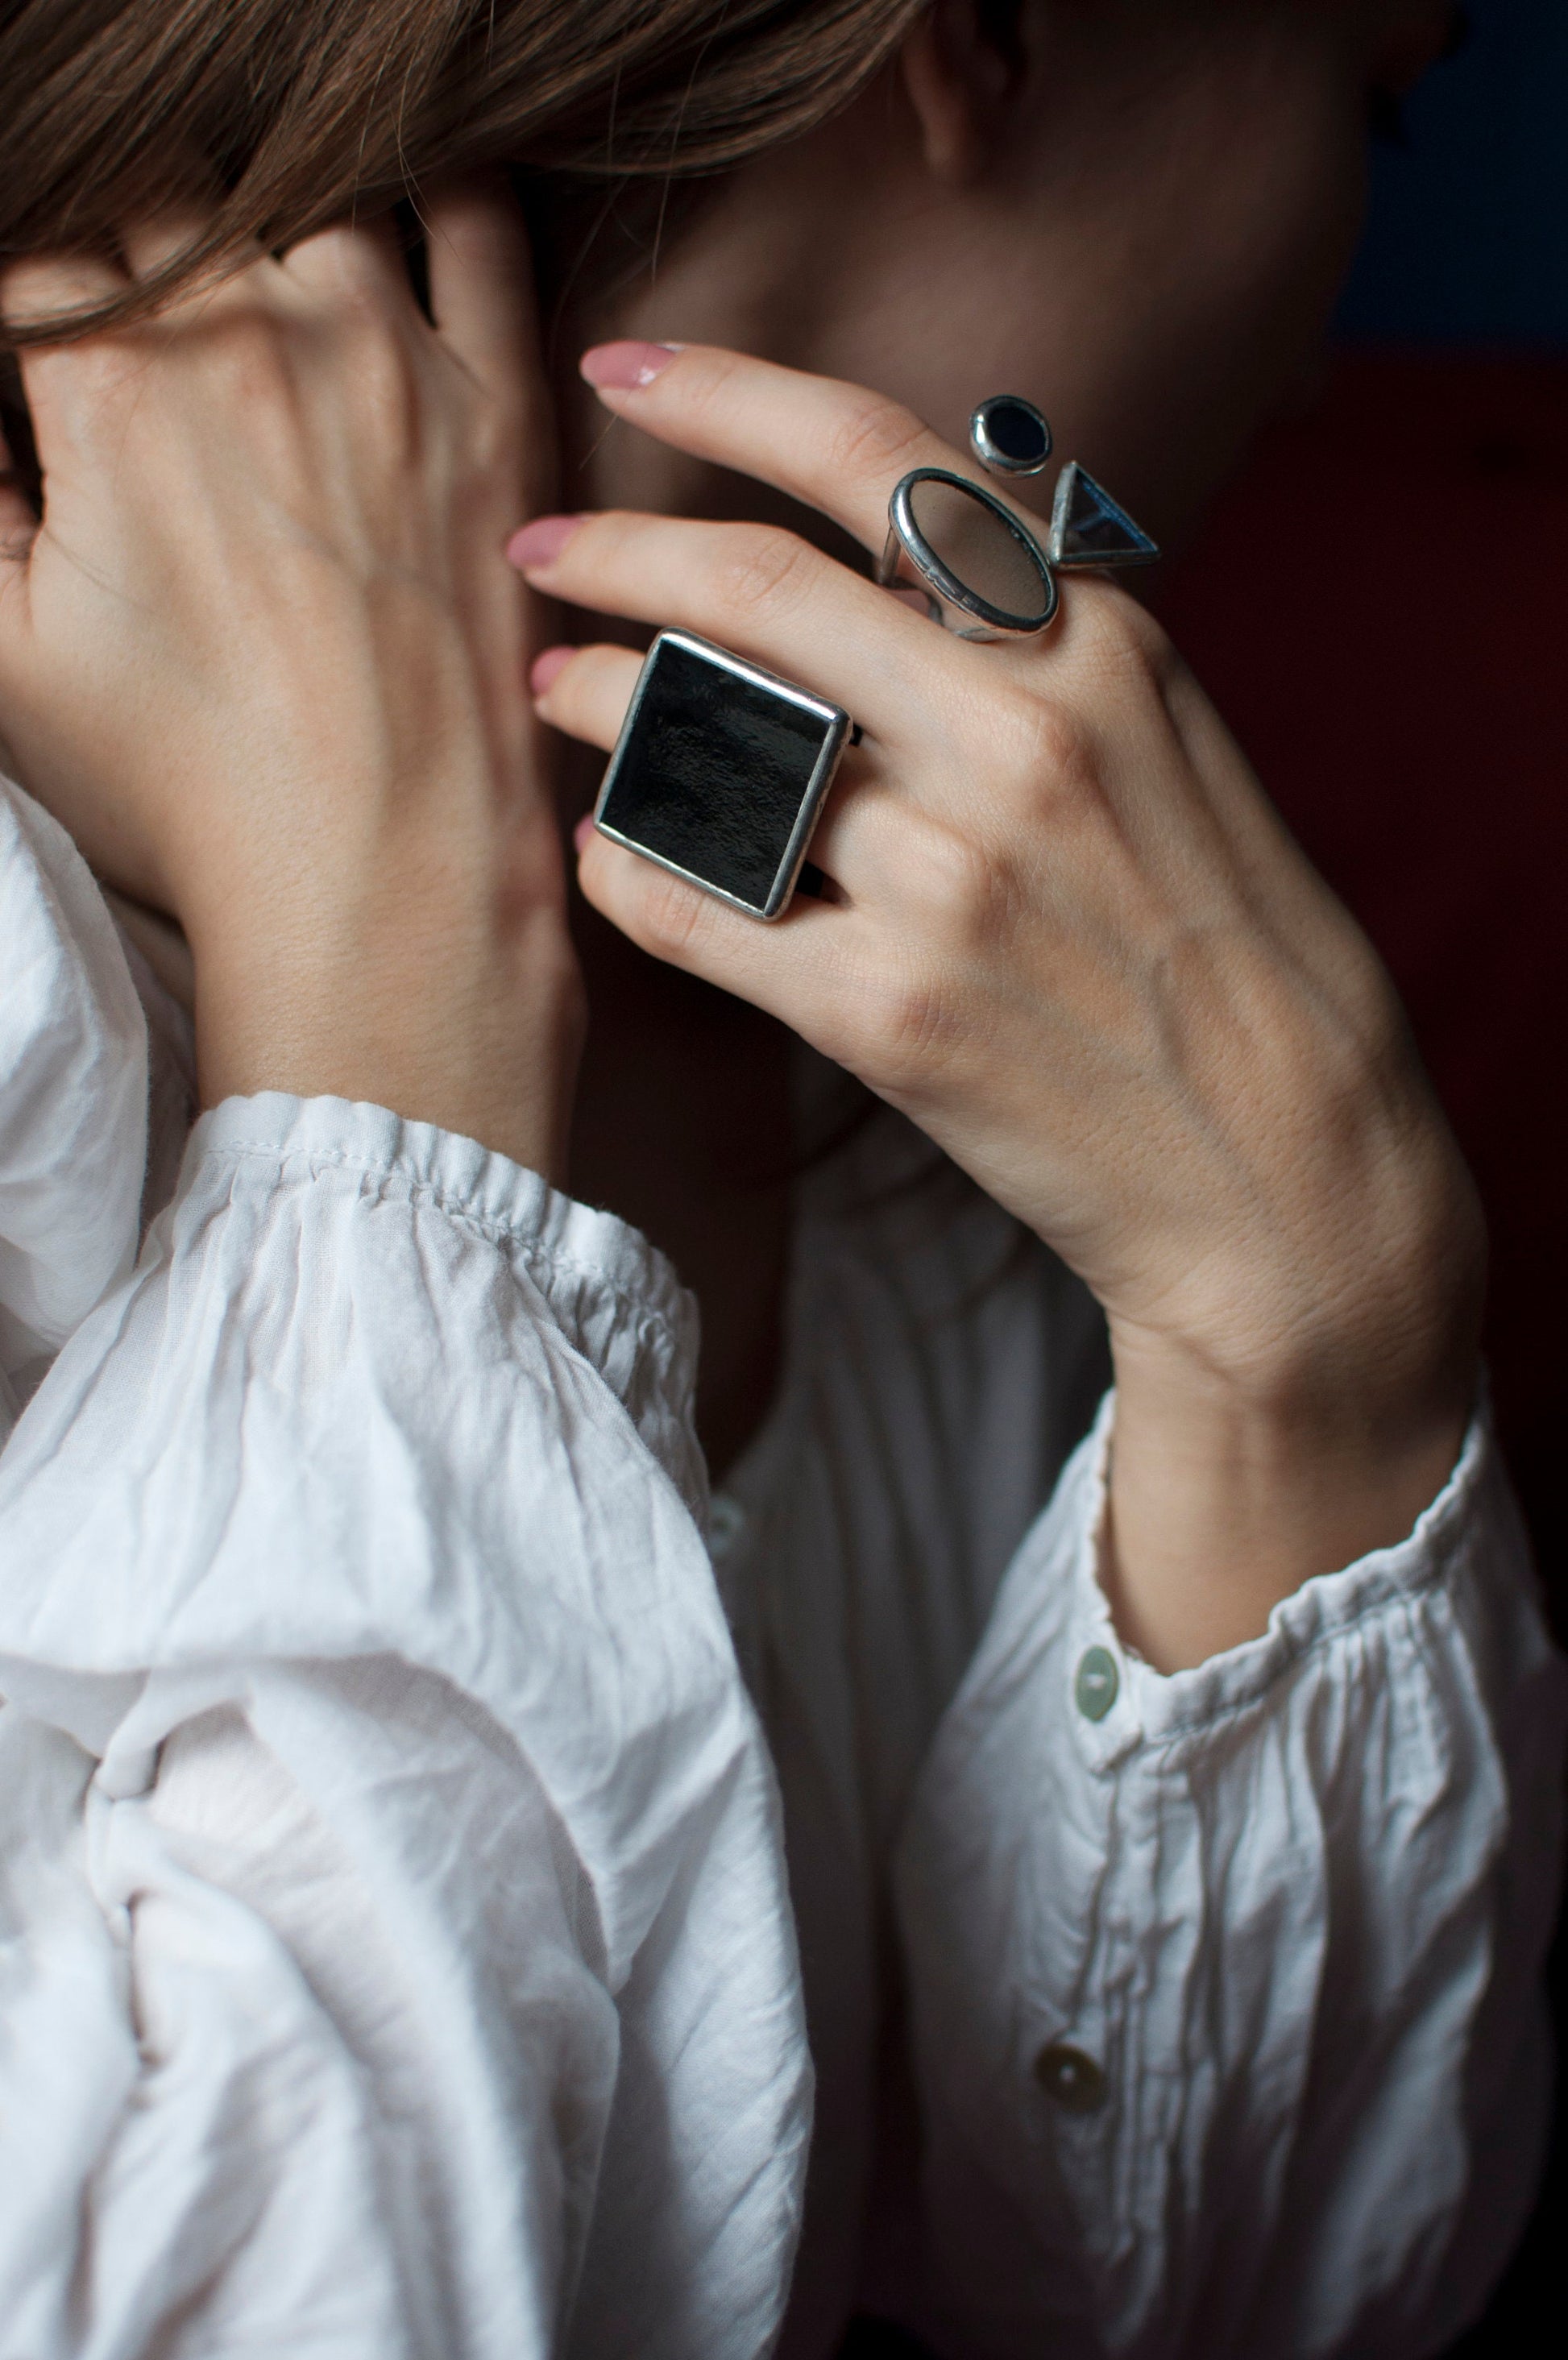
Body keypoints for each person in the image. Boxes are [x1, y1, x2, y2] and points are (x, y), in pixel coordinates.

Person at [0, 1, 1560, 2353]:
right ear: (981, 41)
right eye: (1379, 98)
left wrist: (1310, 1365)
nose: (1333, 350)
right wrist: (394, 1056)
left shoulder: (955, 1079)